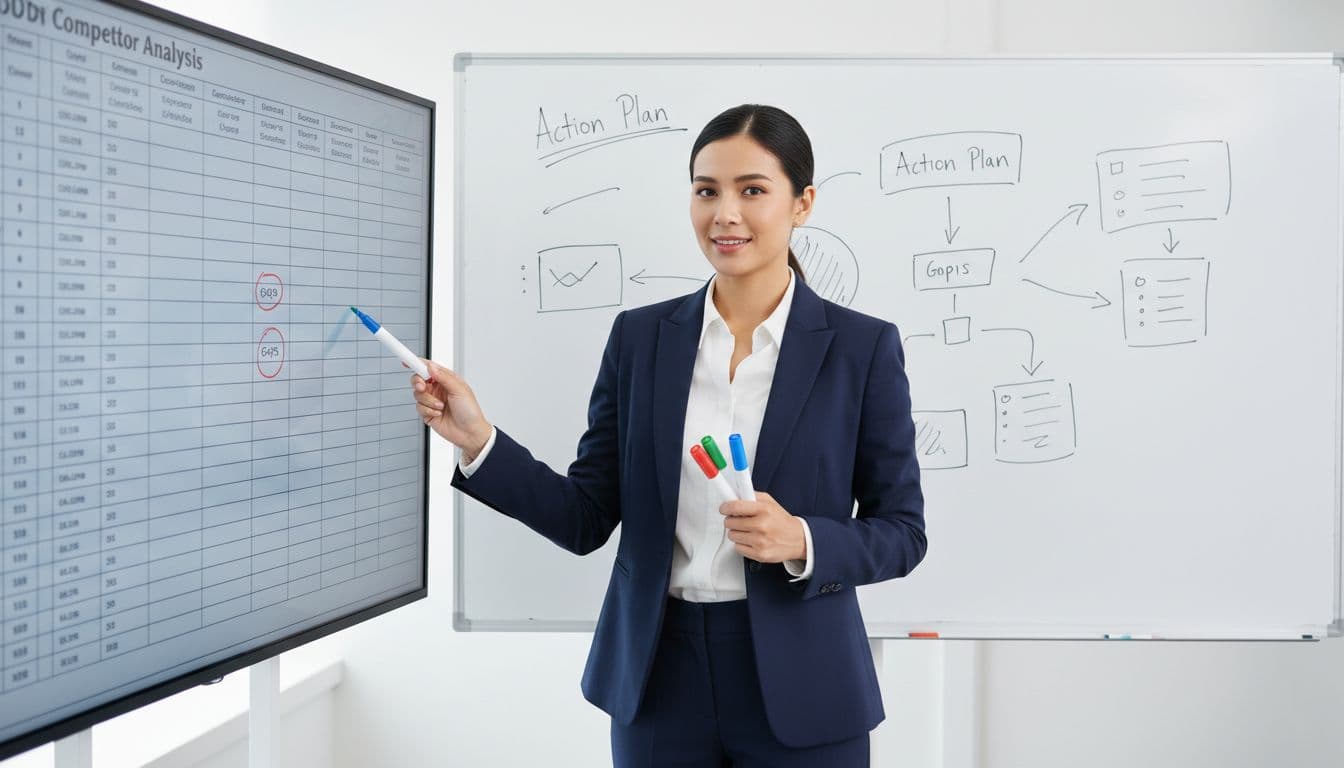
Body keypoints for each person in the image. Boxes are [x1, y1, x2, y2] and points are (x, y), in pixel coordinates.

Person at [411, 104, 926, 766]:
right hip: (660, 675)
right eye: (706, 190)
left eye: (752, 190)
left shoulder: (862, 349)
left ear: (802, 203)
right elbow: (586, 516)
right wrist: (479, 440)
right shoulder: (642, 339)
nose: (725, 214)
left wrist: (800, 538)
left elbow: (903, 531)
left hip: (805, 681)